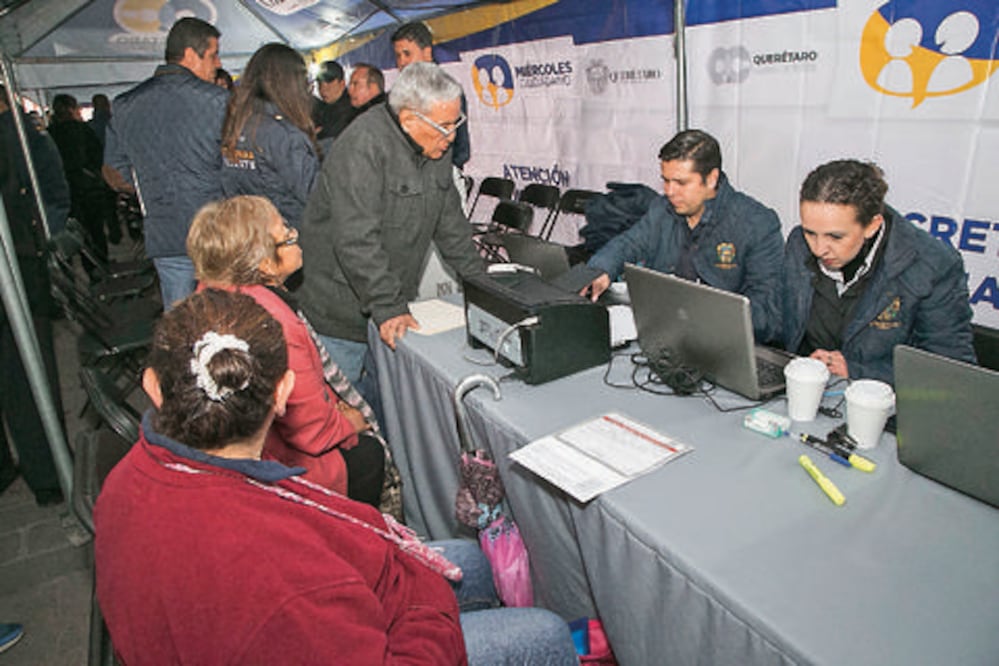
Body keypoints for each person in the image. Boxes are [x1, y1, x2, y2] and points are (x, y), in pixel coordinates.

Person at [94, 289, 577, 664]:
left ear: (153, 388)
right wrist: (424, 603)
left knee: (468, 559)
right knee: (544, 632)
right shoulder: (279, 578)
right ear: (284, 393)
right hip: (323, 628)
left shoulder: (127, 478)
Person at [187, 196, 388, 508]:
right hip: (284, 473)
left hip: (239, 459)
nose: (297, 238)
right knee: (369, 454)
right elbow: (312, 432)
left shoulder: (211, 295)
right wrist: (353, 424)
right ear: (266, 264)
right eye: (287, 236)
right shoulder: (271, 324)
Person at [298, 61, 484, 392]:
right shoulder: (362, 146)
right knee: (347, 416)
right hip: (340, 313)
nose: (452, 135)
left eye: (457, 122)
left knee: (389, 405)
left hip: (391, 302)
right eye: (445, 126)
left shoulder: (436, 142)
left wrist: (483, 287)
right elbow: (356, 238)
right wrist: (387, 305)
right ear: (410, 119)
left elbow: (451, 225)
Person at [783, 159, 976, 383]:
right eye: (810, 233)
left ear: (872, 226)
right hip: (803, 388)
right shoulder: (799, 243)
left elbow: (952, 372)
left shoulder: (932, 265)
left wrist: (858, 372)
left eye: (835, 237)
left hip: (883, 407)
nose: (818, 249)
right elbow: (782, 324)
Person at [583, 129, 784, 344]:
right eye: (666, 181)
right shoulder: (662, 209)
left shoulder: (757, 223)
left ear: (712, 179)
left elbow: (767, 313)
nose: (669, 191)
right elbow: (629, 242)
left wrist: (707, 318)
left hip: (723, 343)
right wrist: (601, 269)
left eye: (681, 183)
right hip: (665, 336)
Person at [102, 16, 228, 309]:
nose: (218, 64)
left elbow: (112, 172)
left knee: (180, 326)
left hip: (164, 233)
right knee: (224, 320)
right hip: (216, 232)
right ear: (189, 54)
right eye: (213, 55)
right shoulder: (218, 101)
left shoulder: (124, 105)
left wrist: (149, 187)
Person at [0, 85, 69, 506]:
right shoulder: (17, 134)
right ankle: (46, 471)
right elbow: (51, 193)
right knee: (26, 372)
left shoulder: (19, 134)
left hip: (18, 255)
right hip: (18, 261)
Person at [220, 43, 319, 230]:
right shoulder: (283, 134)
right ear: (291, 83)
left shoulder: (236, 125)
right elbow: (316, 195)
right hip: (290, 238)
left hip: (250, 235)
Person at [391, 21, 470, 171]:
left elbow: (461, 150)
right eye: (398, 56)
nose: (401, 62)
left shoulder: (447, 92)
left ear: (427, 53)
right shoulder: (400, 95)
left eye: (407, 54)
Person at [48, 94, 110, 270]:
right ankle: (99, 268)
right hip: (88, 187)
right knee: (95, 231)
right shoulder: (82, 130)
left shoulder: (50, 134)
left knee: (75, 234)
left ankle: (86, 270)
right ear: (71, 109)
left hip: (65, 191)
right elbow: (98, 156)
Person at [311, 59, 355, 150]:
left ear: (342, 84)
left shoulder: (350, 109)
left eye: (329, 84)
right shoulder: (324, 107)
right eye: (320, 83)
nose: (323, 89)